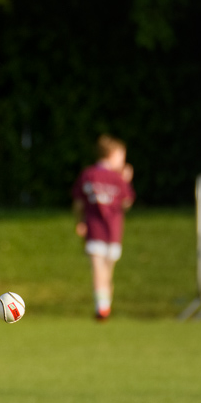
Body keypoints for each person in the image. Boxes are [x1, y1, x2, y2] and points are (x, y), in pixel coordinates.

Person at [72, 134, 135, 320]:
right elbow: (127, 203)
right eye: (121, 156)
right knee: (101, 268)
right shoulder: (100, 176)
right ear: (112, 155)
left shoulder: (98, 175)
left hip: (108, 230)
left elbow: (78, 204)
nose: (123, 160)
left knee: (104, 271)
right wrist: (127, 180)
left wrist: (79, 221)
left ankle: (104, 305)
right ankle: (103, 307)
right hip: (102, 229)